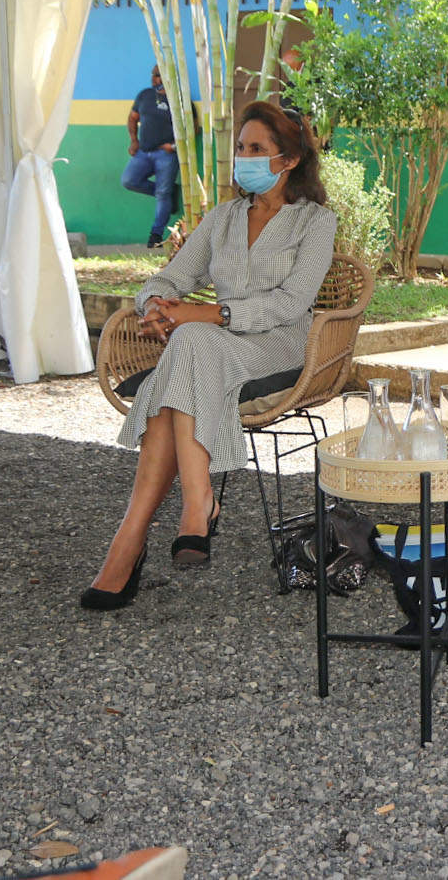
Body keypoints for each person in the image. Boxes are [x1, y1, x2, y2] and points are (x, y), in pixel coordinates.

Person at [82, 101, 336, 610]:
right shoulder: (223, 218)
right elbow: (168, 278)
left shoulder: (315, 222)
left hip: (282, 344)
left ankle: (135, 539)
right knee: (190, 345)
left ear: (287, 160)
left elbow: (291, 304)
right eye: (240, 148)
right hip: (215, 349)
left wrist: (205, 316)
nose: (243, 157)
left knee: (190, 342)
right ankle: (192, 508)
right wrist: (153, 304)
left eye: (256, 149)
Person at [122, 65, 181, 249]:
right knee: (129, 180)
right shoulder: (145, 95)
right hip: (143, 153)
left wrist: (172, 146)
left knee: (163, 194)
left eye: (158, 76)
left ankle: (155, 236)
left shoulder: (178, 99)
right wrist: (134, 141)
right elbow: (133, 118)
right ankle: (169, 192)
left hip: (166, 155)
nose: (154, 79)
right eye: (153, 75)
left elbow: (192, 127)